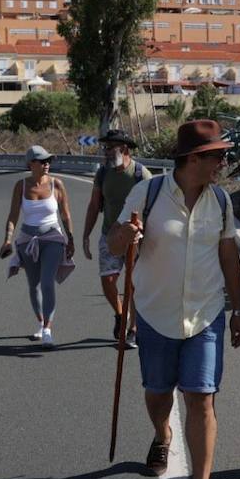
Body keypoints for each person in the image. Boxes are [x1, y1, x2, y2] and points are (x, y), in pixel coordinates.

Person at [110, 119, 240, 479]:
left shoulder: (221, 201)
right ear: (192, 158)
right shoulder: (147, 192)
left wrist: (237, 310)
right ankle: (162, 433)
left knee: (202, 399)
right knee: (157, 392)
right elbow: (115, 247)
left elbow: (228, 257)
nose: (223, 161)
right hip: (154, 312)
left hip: (205, 315)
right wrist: (127, 233)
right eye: (217, 155)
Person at [81, 128, 151, 348]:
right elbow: (94, 205)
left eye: (110, 148)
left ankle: (133, 328)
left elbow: (152, 208)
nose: (106, 152)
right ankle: (120, 315)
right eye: (105, 147)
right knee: (108, 281)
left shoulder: (141, 175)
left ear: (124, 148)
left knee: (134, 284)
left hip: (136, 239)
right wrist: (85, 235)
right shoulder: (103, 174)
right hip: (109, 234)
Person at [1, 145, 76, 347]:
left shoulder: (56, 184)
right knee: (33, 285)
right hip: (27, 239)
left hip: (52, 237)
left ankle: (48, 329)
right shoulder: (21, 186)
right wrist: (8, 239)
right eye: (42, 161)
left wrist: (71, 238)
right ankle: (41, 322)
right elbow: (13, 216)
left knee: (46, 282)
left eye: (48, 161)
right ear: (30, 164)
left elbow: (66, 214)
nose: (46, 165)